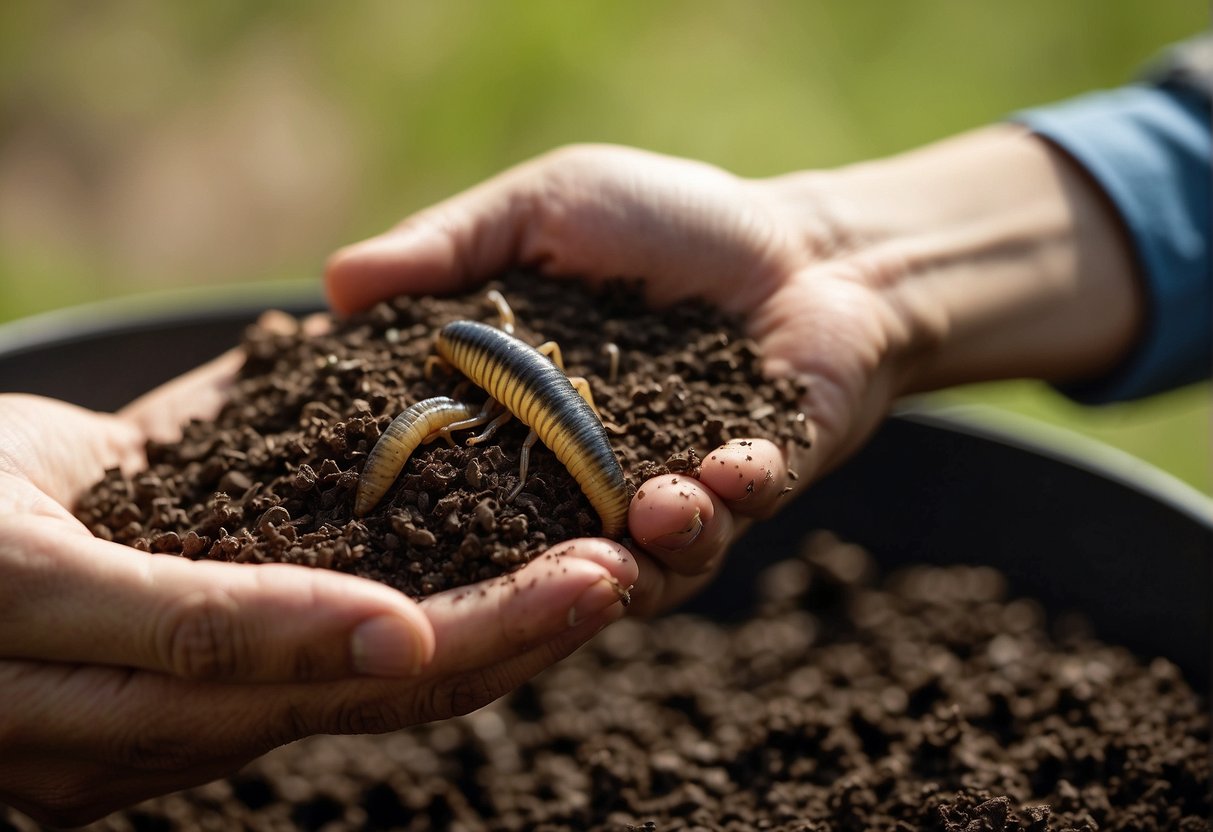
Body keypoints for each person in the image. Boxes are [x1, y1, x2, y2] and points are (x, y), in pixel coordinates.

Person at [1, 37, 1207, 825]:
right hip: (499, 379)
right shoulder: (463, 379)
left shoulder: (526, 395)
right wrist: (850, 256)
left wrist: (848, 269)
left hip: (519, 385)